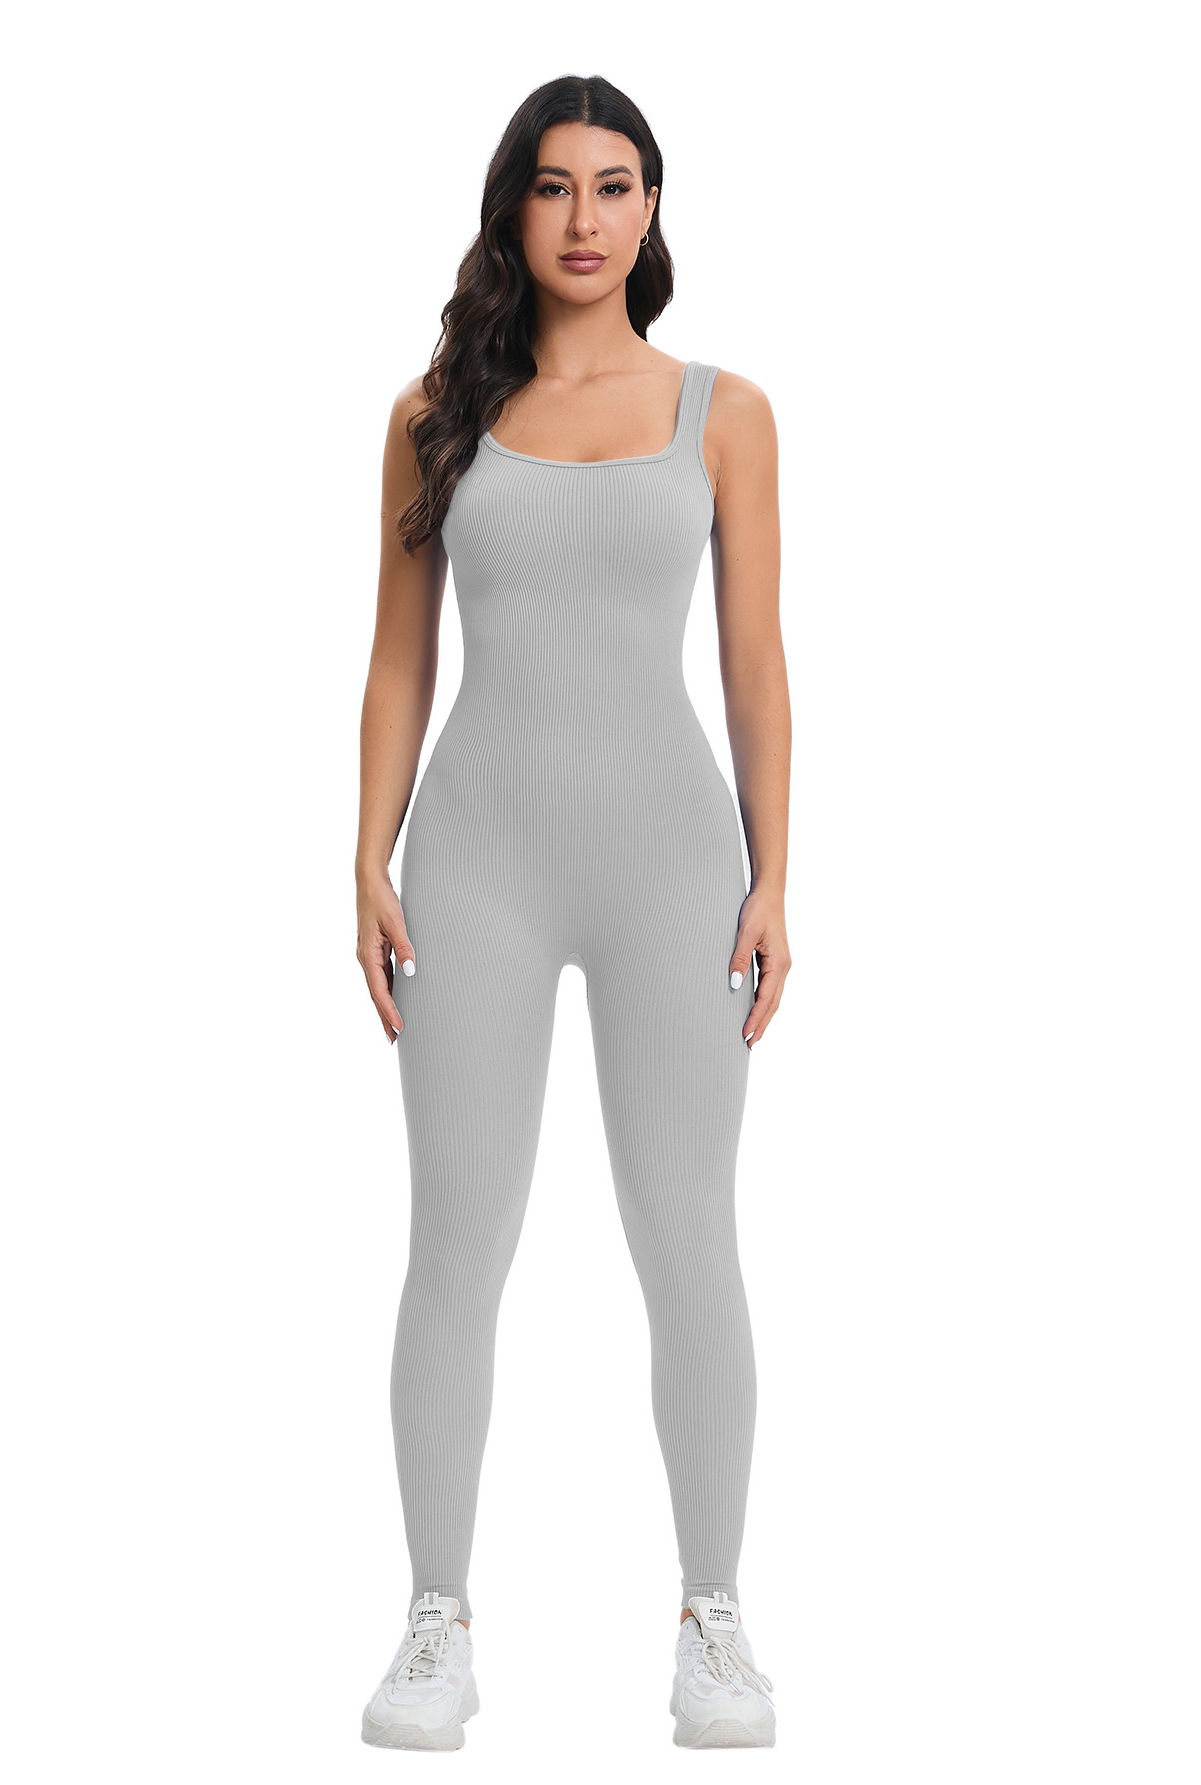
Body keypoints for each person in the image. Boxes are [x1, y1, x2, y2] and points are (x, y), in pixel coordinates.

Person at [354, 73, 790, 1751]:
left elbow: (756, 662)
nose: (587, 217)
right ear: (514, 208)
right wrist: (365, 853)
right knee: (456, 1240)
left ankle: (714, 1616)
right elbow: (398, 657)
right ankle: (435, 1617)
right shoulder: (432, 412)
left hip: (673, 863)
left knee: (688, 1236)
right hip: (475, 864)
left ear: (654, 208)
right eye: (554, 186)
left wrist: (775, 871)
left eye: (616, 185)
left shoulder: (724, 413)